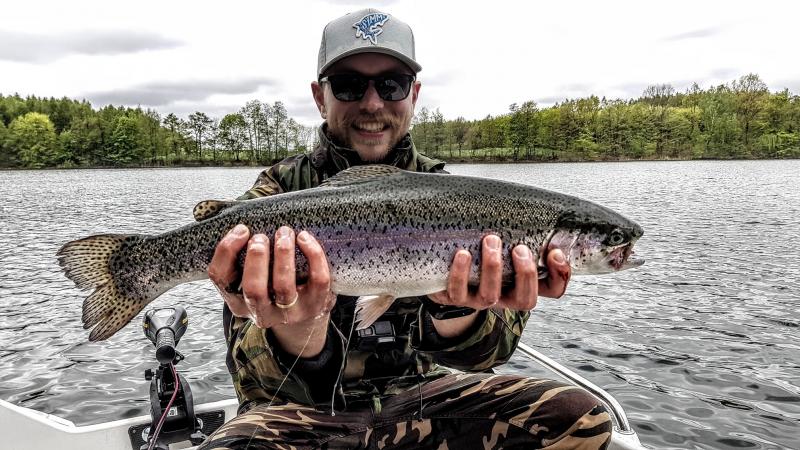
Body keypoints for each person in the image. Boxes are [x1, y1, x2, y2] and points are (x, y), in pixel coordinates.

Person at [199, 8, 612, 450]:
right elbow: (254, 372)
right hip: (297, 418)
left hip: (422, 404)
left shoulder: (467, 203)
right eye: (349, 85)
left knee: (579, 419)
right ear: (320, 97)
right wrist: (301, 329)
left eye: (391, 84)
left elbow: (490, 354)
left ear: (414, 94)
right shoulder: (274, 197)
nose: (372, 103)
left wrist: (456, 311)